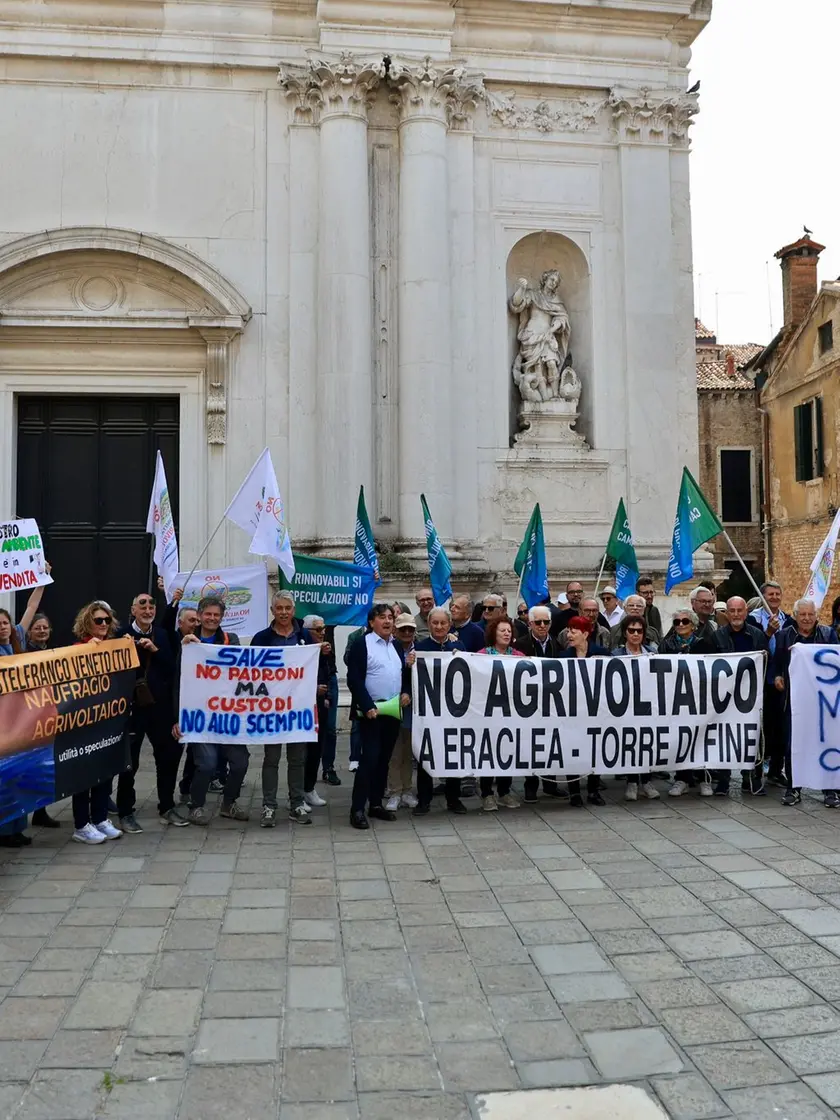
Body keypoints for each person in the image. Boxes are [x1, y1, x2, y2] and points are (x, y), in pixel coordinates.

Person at [173, 595, 248, 826]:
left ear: (222, 617)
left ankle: (229, 803)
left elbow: (241, 671)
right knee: (206, 763)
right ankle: (196, 806)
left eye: (217, 615)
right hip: (200, 716)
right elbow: (179, 682)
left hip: (227, 715)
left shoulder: (230, 640)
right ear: (200, 614)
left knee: (240, 762)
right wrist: (178, 718)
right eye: (208, 614)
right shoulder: (186, 641)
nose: (212, 618)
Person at [115, 592, 187, 832]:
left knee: (167, 757)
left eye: (151, 606)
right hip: (133, 709)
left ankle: (166, 806)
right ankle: (126, 811)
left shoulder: (164, 635)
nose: (148, 610)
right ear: (133, 610)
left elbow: (172, 669)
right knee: (130, 763)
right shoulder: (120, 635)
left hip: (161, 708)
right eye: (142, 605)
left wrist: (155, 650)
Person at [251, 591, 315, 826]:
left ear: (294, 610)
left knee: (297, 759)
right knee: (271, 759)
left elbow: (312, 667)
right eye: (279, 608)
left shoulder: (305, 636)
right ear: (272, 611)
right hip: (271, 710)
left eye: (288, 608)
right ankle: (269, 806)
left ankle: (296, 803)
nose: (284, 612)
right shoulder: (261, 638)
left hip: (297, 710)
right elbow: (250, 673)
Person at [346, 604, 411, 830]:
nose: (387, 621)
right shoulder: (361, 644)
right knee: (369, 760)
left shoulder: (394, 645)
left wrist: (406, 692)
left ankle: (375, 804)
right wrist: (366, 704)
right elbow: (354, 679)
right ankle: (357, 809)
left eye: (390, 617)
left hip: (392, 711)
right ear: (372, 621)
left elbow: (401, 674)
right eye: (382, 617)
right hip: (371, 713)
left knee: (383, 760)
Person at [773, 598, 840, 807]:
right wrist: (777, 677)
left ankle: (831, 789)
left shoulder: (828, 635)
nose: (807, 618)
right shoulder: (784, 636)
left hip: (823, 701)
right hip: (795, 701)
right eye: (802, 614)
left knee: (828, 741)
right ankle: (794, 788)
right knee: (795, 744)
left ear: (816, 615)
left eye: (810, 614)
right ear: (795, 616)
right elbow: (776, 664)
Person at [70, 601, 124, 845]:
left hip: (107, 722)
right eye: (98, 620)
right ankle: (82, 825)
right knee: (84, 775)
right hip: (84, 725)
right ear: (87, 623)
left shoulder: (114, 647)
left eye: (107, 620)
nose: (103, 624)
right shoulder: (76, 649)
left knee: (104, 771)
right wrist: (86, 653)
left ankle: (100, 818)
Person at [0, 582, 49, 846]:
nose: (3, 627)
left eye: (5, 622)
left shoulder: (17, 639)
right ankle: (5, 831)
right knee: (5, 778)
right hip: (3, 725)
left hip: (20, 723)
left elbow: (31, 606)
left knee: (18, 775)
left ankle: (17, 827)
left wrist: (40, 581)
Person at [712, 597, 769, 798]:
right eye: (732, 610)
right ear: (726, 613)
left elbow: (766, 662)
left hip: (751, 697)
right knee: (724, 737)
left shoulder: (757, 636)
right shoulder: (716, 637)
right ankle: (723, 781)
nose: (736, 614)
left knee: (752, 737)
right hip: (725, 697)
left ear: (746, 612)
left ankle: (752, 779)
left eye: (739, 610)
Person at [414, 611, 470, 816]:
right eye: (435, 623)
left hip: (453, 711)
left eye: (443, 623)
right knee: (425, 755)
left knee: (453, 754)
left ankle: (453, 799)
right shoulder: (419, 649)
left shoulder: (459, 647)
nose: (439, 627)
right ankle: (424, 800)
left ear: (449, 625)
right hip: (428, 712)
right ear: (428, 624)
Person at [659, 608, 716, 797]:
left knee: (700, 737)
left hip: (699, 699)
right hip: (676, 700)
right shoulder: (666, 646)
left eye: (685, 621)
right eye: (677, 622)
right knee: (680, 738)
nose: (681, 625)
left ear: (693, 624)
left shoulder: (704, 645)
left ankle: (703, 778)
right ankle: (681, 778)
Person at [516, 606, 565, 804]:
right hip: (530, 703)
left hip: (552, 703)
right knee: (532, 745)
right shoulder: (521, 644)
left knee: (552, 744)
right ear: (530, 624)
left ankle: (551, 785)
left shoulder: (556, 644)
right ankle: (531, 786)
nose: (542, 626)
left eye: (546, 622)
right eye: (538, 622)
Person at [560, 617, 609, 806]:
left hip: (596, 711)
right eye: (568, 631)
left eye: (573, 631)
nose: (569, 635)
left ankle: (593, 790)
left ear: (585, 634)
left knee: (594, 750)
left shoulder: (601, 654)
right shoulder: (564, 657)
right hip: (572, 711)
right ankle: (574, 792)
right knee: (572, 750)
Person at [749, 581, 792, 786]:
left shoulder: (788, 620)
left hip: (781, 680)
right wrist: (767, 633)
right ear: (762, 596)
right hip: (760, 680)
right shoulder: (753, 619)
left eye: (777, 594)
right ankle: (756, 772)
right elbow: (754, 647)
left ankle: (776, 768)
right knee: (760, 728)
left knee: (780, 727)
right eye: (770, 594)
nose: (774, 598)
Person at [611, 616, 659, 801]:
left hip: (647, 706)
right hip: (626, 706)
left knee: (647, 743)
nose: (636, 634)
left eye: (639, 631)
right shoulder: (616, 654)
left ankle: (646, 781)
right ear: (625, 633)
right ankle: (631, 782)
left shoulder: (652, 653)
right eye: (632, 630)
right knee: (630, 743)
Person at [478, 616, 523, 811]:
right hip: (489, 712)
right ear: (493, 634)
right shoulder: (482, 655)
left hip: (512, 712)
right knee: (489, 752)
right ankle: (487, 793)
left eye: (509, 631)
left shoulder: (520, 656)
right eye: (502, 630)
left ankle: (504, 792)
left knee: (507, 751)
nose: (506, 633)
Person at [386, 615, 419, 812]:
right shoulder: (390, 648)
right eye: (403, 629)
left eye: (410, 629)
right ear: (395, 631)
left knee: (408, 751)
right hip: (391, 705)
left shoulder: (421, 648)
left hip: (413, 708)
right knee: (395, 751)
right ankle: (394, 791)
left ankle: (407, 790)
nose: (407, 633)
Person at [300, 615, 332, 812]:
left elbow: (327, 673)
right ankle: (297, 792)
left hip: (320, 705)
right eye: (318, 630)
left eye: (323, 629)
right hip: (301, 707)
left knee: (317, 748)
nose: (322, 633)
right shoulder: (301, 650)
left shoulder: (323, 650)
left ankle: (309, 788)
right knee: (300, 753)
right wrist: (313, 689)